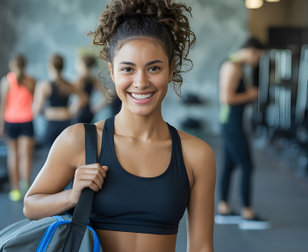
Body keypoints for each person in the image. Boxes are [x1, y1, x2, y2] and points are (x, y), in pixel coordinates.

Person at [24, 0, 216, 251]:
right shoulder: (79, 140)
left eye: (154, 68)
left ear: (171, 70)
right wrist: (72, 196)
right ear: (112, 72)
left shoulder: (197, 155)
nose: (141, 82)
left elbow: (201, 247)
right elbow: (31, 206)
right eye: (128, 69)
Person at [216, 37, 270, 230]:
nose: (257, 61)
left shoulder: (237, 66)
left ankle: (223, 209)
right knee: (247, 165)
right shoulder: (233, 67)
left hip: (232, 122)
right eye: (258, 57)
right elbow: (227, 98)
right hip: (231, 123)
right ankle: (247, 213)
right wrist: (252, 94)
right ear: (251, 51)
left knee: (230, 166)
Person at [0, 54, 36, 202]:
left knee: (13, 155)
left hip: (11, 121)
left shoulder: (6, 81)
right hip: (26, 120)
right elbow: (35, 100)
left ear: (12, 65)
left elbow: (2, 104)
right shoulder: (31, 80)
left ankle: (15, 190)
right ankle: (26, 185)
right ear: (24, 65)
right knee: (26, 155)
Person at [32, 54, 88, 146]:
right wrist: (72, 111)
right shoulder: (69, 85)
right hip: (66, 122)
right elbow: (84, 98)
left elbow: (36, 109)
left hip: (52, 123)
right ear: (62, 66)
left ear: (50, 66)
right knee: (67, 156)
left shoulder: (44, 86)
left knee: (51, 157)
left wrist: (45, 113)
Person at [73, 54, 109, 123]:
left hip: (80, 112)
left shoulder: (79, 80)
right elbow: (108, 96)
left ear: (83, 65)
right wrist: (96, 109)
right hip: (89, 112)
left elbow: (80, 100)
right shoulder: (93, 80)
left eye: (79, 65)